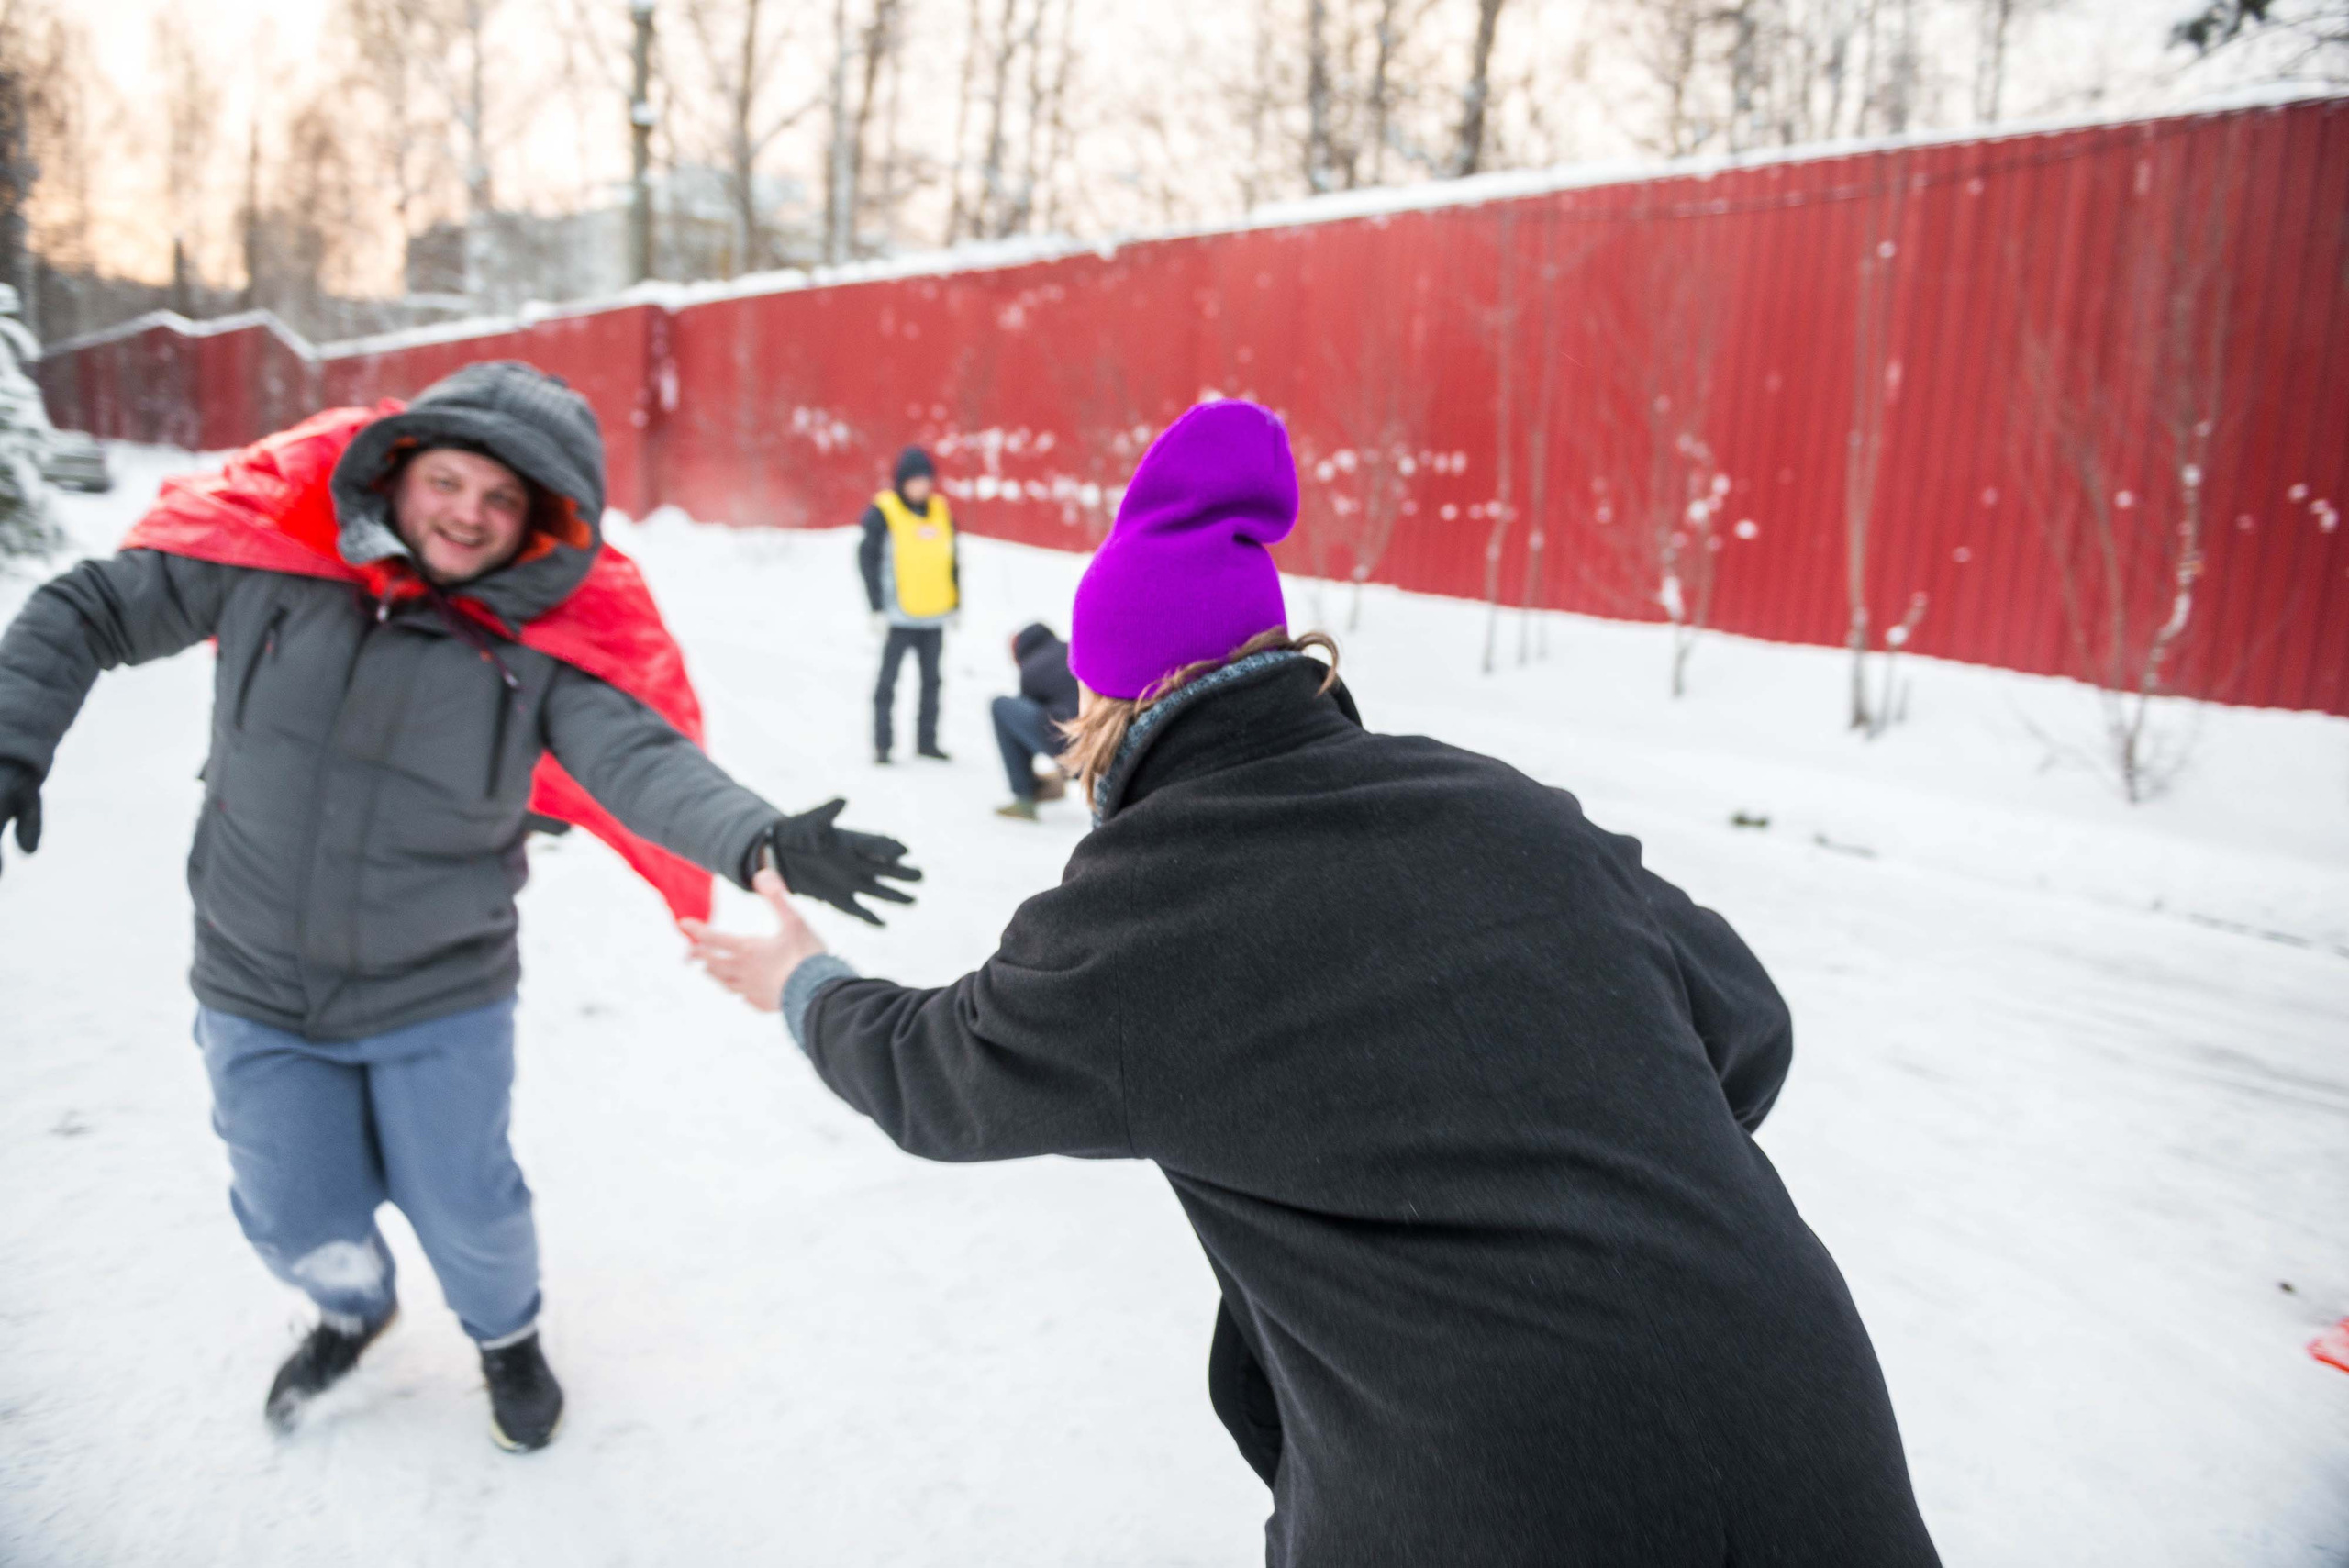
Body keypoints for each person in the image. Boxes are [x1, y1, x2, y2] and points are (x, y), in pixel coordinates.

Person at [685, 400, 1940, 1566]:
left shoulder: (1142, 909)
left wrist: (803, 978)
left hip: (1500, 1493)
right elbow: (1747, 1022)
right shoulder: (1499, 803)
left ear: (1110, 711)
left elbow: (930, 1075)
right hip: (1809, 1430)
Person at [0, 361, 919, 1451]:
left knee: (470, 1206)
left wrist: (760, 838)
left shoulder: (535, 652)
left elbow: (641, 762)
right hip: (254, 983)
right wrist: (14, 740)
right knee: (292, 1210)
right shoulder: (268, 569)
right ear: (395, 473)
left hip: (438, 991)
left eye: (501, 499)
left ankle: (507, 1336)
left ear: (538, 524)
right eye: (447, 481)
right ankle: (353, 1305)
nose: (467, 514)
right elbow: (91, 606)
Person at [857, 445, 958, 765]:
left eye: (926, 480)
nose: (922, 487)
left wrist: (956, 602)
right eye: (915, 480)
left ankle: (927, 742)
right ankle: (883, 744)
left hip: (934, 614)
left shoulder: (940, 510)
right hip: (898, 615)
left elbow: (952, 559)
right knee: (888, 682)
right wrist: (876, 607)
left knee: (933, 682)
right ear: (901, 481)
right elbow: (867, 560)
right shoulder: (883, 512)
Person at [990, 621, 1077, 820]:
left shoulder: (1031, 668)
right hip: (1104, 742)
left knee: (1001, 707)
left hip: (1073, 749)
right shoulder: (1070, 649)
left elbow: (1027, 732)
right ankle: (1056, 781)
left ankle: (1025, 797)